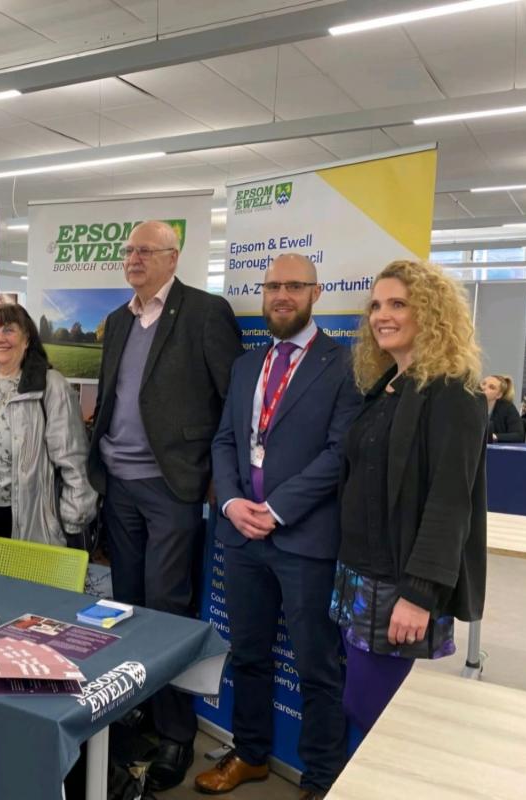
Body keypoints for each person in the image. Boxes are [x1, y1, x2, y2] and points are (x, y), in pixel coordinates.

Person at [88, 219, 242, 791]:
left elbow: (231, 403)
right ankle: (136, 711)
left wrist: (216, 480)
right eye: (129, 250)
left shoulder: (204, 313)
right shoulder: (117, 320)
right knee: (127, 606)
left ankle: (177, 731)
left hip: (172, 486)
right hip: (119, 484)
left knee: (169, 607)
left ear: (174, 258)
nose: (134, 259)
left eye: (146, 251)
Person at [198, 254, 359, 800]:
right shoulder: (247, 366)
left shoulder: (344, 365)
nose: (281, 295)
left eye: (294, 286)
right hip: (241, 537)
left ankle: (321, 779)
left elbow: (341, 454)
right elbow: (224, 442)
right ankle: (250, 754)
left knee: (317, 667)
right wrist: (233, 504)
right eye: (272, 287)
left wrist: (278, 508)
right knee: (248, 654)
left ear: (316, 292)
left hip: (304, 540)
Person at [331, 259, 487, 734]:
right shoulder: (387, 387)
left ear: (430, 312)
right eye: (376, 305)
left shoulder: (454, 393)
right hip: (357, 576)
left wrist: (419, 597)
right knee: (358, 706)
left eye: (398, 303)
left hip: (399, 584)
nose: (382, 315)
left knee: (372, 715)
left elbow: (450, 503)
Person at [0, 303, 97, 544]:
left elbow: (73, 459)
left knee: (29, 581)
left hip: (36, 518)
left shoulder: (50, 385)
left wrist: (74, 519)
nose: (0, 338)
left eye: (9, 330)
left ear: (27, 339)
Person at [481, 374, 523, 442]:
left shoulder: (507, 408)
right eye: (483, 383)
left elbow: (518, 435)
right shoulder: (470, 404)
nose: (484, 388)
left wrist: (494, 436)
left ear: (499, 395)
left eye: (491, 387)